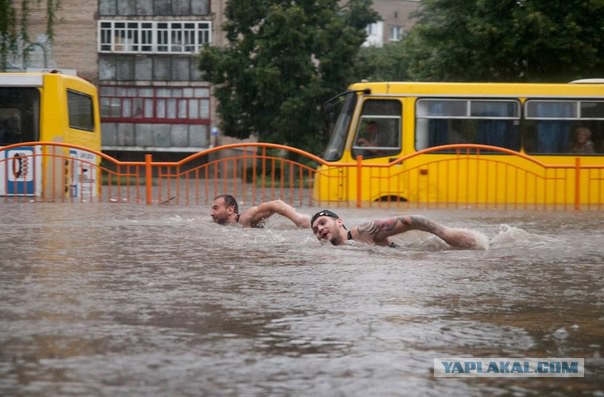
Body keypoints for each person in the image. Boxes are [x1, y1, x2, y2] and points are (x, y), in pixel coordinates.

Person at [310, 209, 484, 249]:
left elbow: (411, 220)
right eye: (316, 229)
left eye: (323, 222)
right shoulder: (332, 251)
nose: (320, 229)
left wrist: (447, 234)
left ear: (339, 222)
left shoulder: (363, 231)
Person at [210, 194, 310, 228]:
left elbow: (276, 204)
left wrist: (298, 219)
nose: (211, 213)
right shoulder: (217, 224)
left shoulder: (245, 218)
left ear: (230, 210)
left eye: (215, 208)